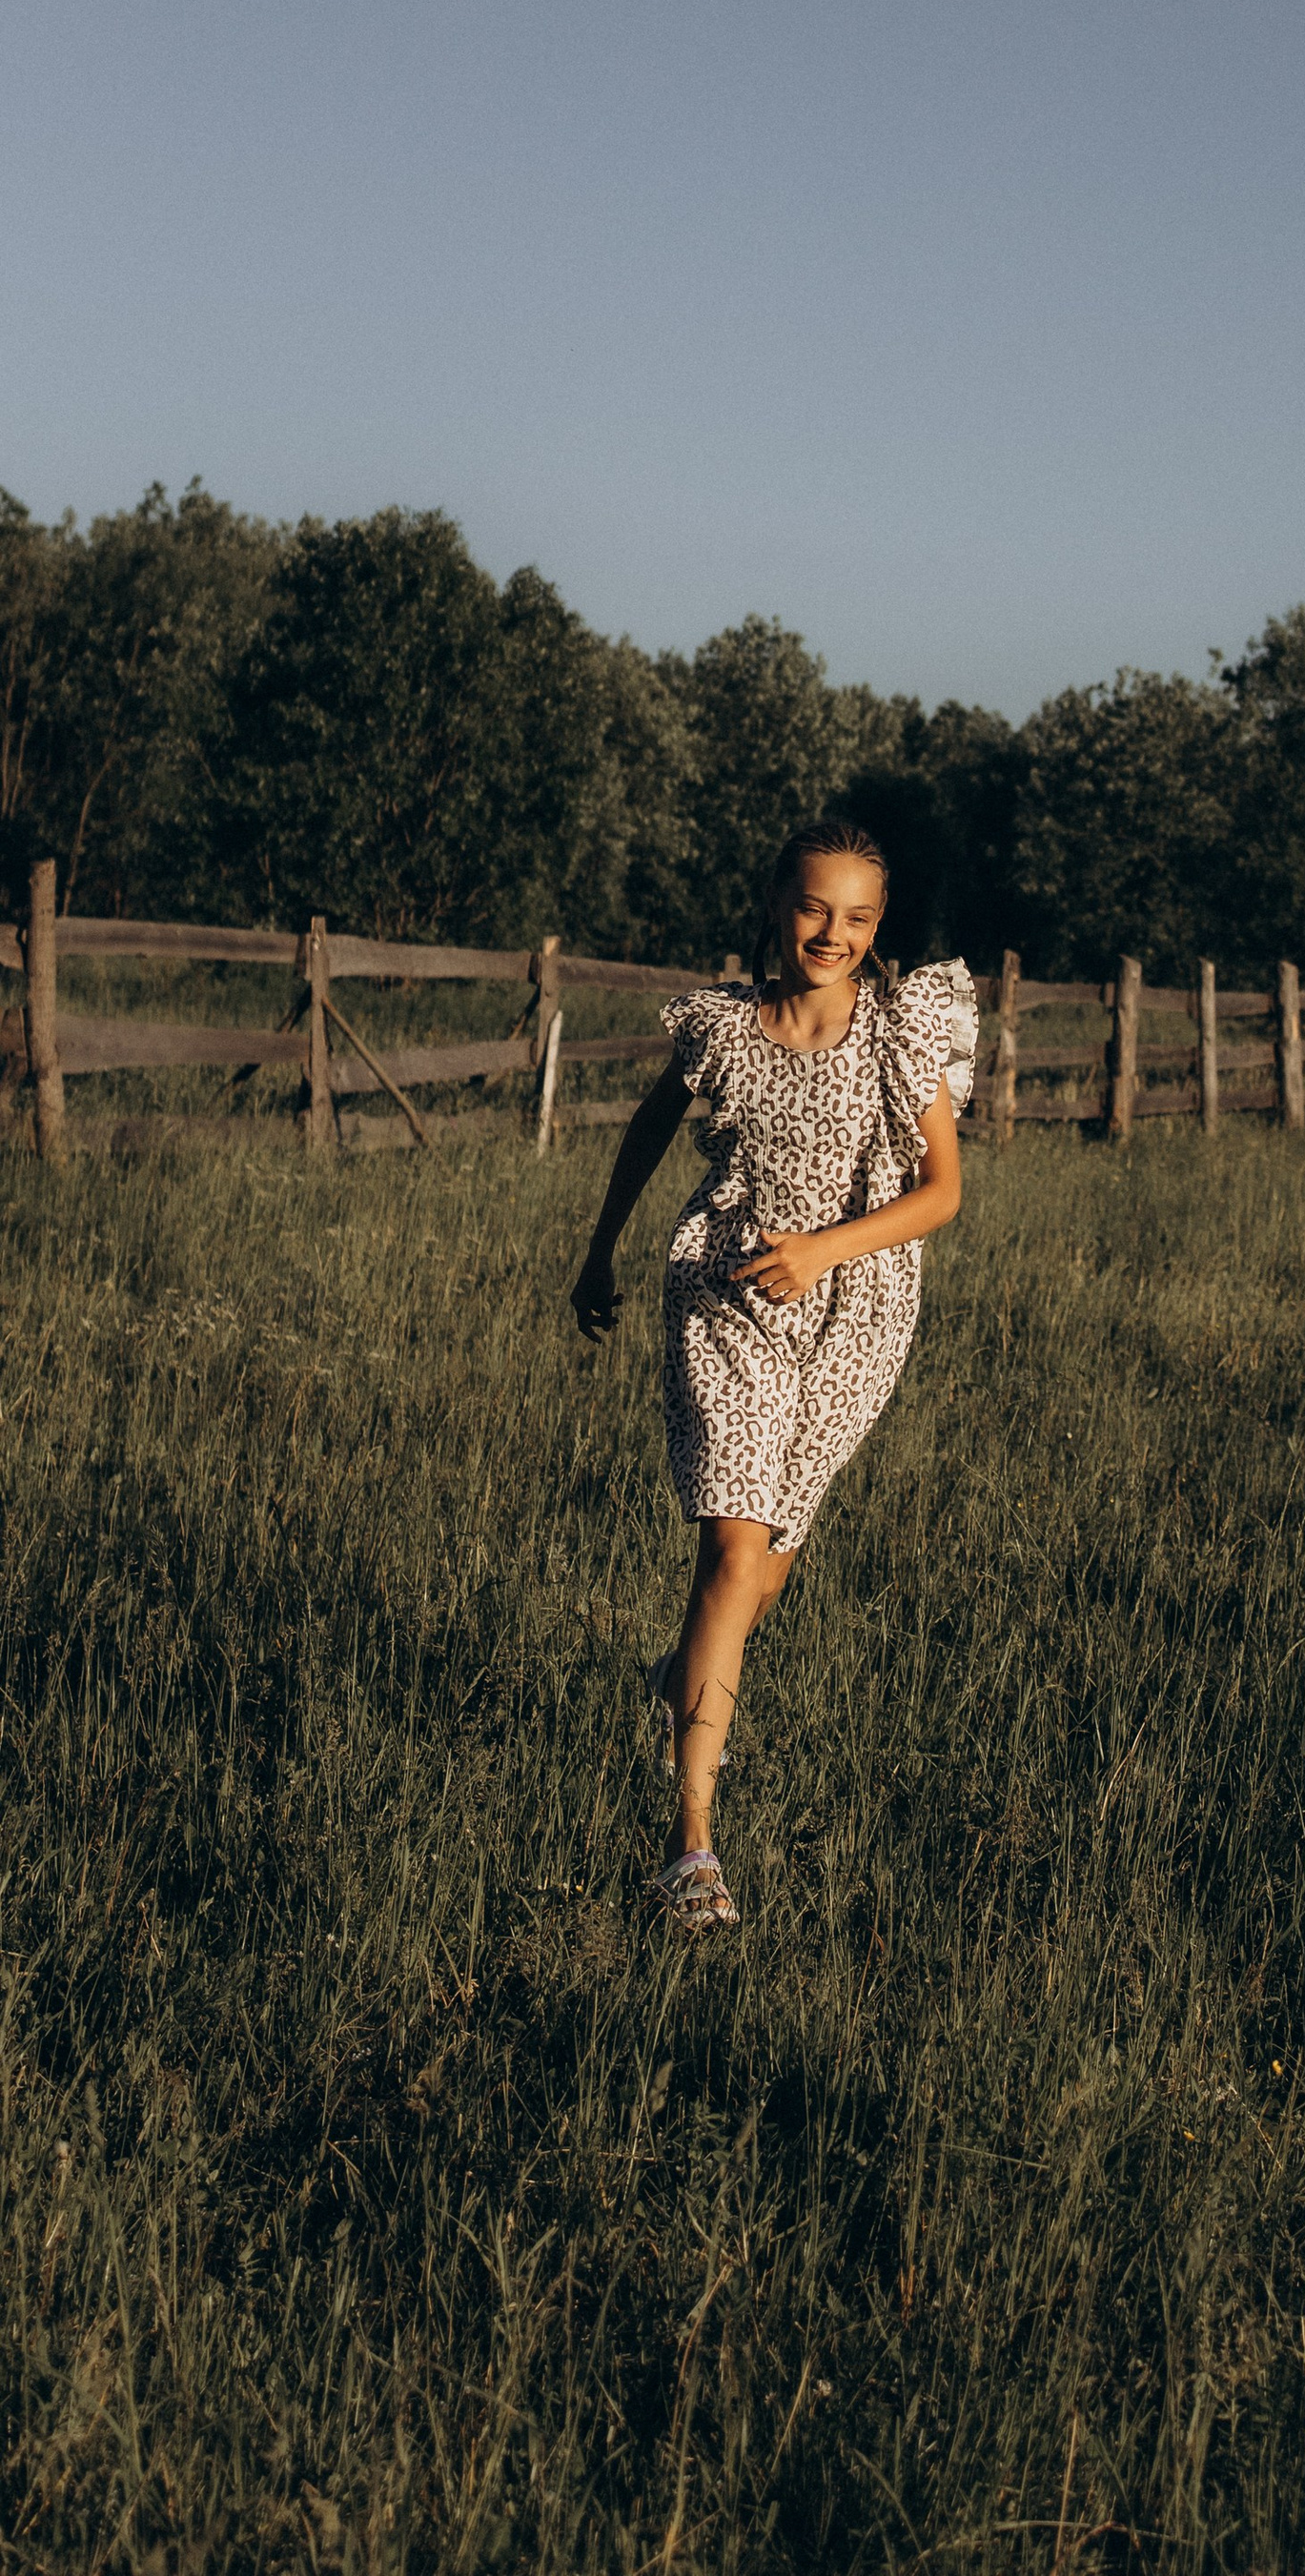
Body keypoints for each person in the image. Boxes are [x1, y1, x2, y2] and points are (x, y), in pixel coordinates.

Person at [573, 821, 975, 1929]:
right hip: (729, 1289)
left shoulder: (901, 1034)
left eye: (855, 917)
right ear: (775, 904)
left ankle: (683, 1682)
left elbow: (941, 1193)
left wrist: (825, 1251)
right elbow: (654, 1123)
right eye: (813, 909)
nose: (831, 933)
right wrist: (600, 1248)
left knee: (765, 1572)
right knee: (729, 1546)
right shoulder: (722, 1027)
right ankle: (690, 1848)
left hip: (860, 1309)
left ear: (877, 925)